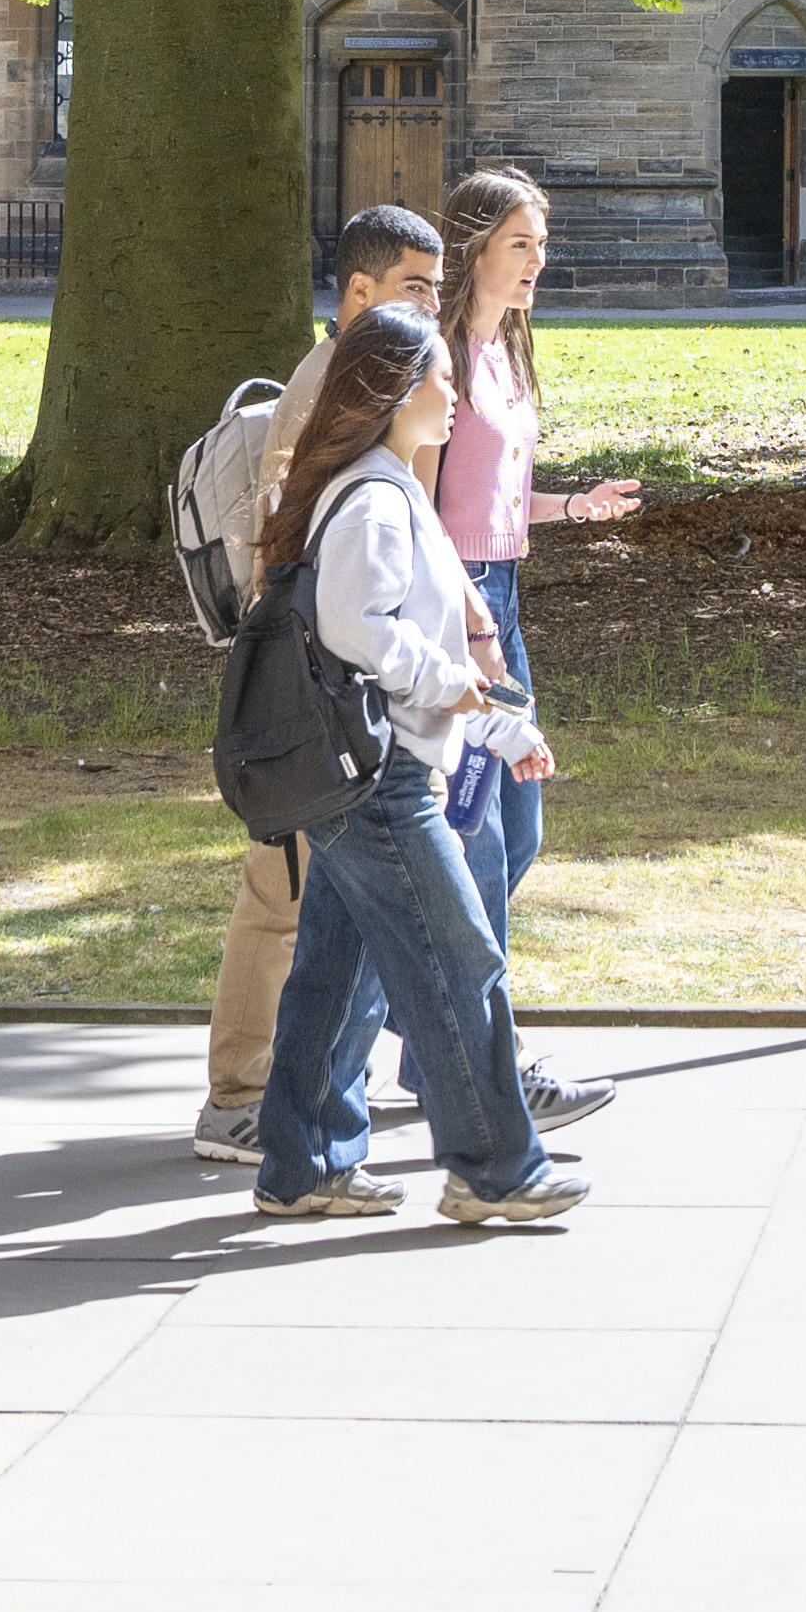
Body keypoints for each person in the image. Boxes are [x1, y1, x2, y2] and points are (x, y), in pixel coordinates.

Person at [280, 165, 631, 1157]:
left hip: (502, 594)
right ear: (478, 247)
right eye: (521, 242)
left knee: (511, 840)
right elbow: (418, 504)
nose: (537, 262)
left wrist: (572, 507)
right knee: (463, 852)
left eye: (543, 243)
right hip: (457, 604)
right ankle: (477, 1078)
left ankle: (403, 1059)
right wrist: (463, 617)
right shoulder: (432, 361)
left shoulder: (511, 354)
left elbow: (501, 494)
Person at [243, 302, 577, 1226]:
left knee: (335, 973)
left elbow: (428, 642)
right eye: (439, 381)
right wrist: (455, 689)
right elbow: (361, 630)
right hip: (381, 785)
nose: (455, 399)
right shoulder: (377, 499)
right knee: (460, 963)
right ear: (393, 393)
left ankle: (301, 1165)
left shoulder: (386, 488)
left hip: (369, 772)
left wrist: (503, 729)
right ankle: (495, 1170)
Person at [191, 204, 445, 1161]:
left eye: (435, 284)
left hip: (335, 679)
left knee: (326, 894)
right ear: (361, 293)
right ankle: (242, 1096)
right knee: (280, 892)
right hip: (309, 685)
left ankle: (320, 1079)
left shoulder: (364, 380)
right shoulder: (325, 385)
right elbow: (290, 546)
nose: (431, 301)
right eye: (414, 286)